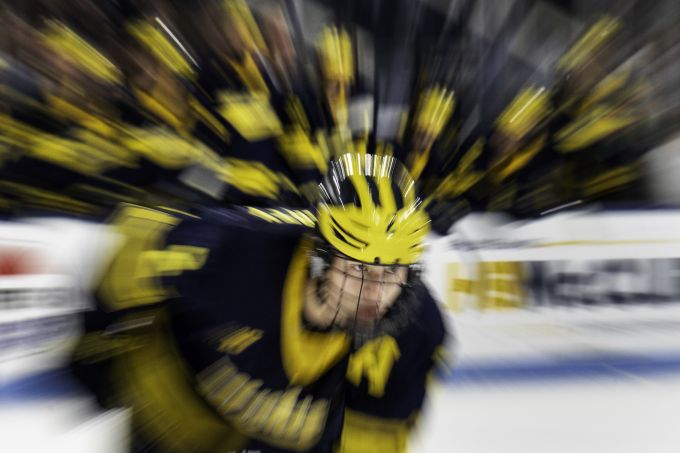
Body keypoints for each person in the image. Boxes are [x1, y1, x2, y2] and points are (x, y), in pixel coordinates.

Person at [72, 152, 449, 452]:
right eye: (356, 269)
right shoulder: (236, 252)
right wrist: (98, 344)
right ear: (320, 258)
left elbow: (375, 439)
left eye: (391, 275)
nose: (374, 292)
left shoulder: (417, 331)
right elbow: (137, 241)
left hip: (286, 430)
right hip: (178, 404)